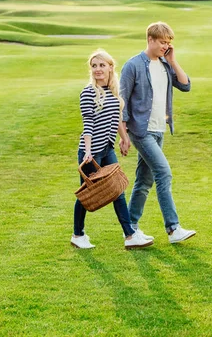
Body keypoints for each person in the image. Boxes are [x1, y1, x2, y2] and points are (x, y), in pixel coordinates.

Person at [120, 21, 196, 244]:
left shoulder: (165, 64)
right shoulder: (133, 65)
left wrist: (172, 60)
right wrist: (123, 136)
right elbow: (121, 102)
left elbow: (185, 85)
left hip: (159, 129)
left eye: (168, 43)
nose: (165, 46)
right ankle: (173, 229)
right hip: (141, 131)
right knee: (164, 173)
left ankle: (130, 230)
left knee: (144, 180)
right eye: (162, 42)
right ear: (150, 40)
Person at [71, 49, 154, 250]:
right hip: (91, 153)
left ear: (110, 67)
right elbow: (88, 124)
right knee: (87, 194)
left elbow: (116, 118)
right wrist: (89, 152)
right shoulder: (88, 92)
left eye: (102, 65)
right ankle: (77, 234)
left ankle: (129, 235)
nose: (98, 69)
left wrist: (124, 138)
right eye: (94, 66)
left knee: (118, 190)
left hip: (107, 150)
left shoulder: (113, 92)